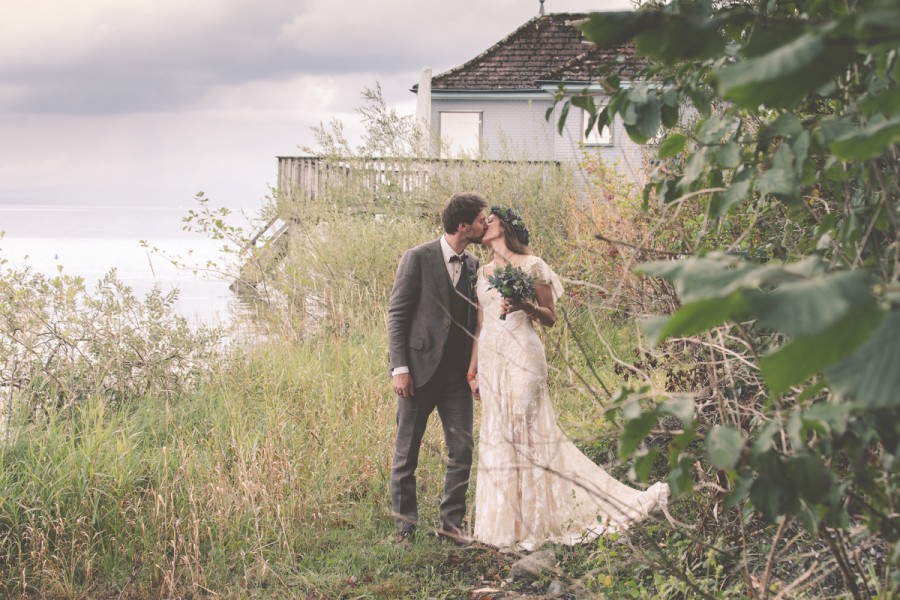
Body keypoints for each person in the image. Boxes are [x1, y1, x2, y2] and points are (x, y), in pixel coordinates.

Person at [467, 205, 669, 552]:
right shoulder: (482, 272)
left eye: (490, 219)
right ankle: (505, 524)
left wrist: (523, 306)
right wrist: (472, 370)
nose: (484, 224)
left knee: (522, 430)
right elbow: (480, 325)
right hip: (490, 361)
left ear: (506, 226)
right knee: (499, 434)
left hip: (523, 357)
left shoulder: (532, 265)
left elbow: (550, 317)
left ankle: (536, 520)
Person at [387, 192, 488, 545]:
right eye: (480, 220)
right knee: (406, 452)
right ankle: (404, 528)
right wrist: (399, 367)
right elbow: (397, 314)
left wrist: (475, 371)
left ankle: (451, 524)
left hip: (457, 377)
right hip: (417, 372)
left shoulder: (475, 264)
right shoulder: (417, 257)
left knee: (462, 451)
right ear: (464, 226)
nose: (484, 225)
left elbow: (479, 321)